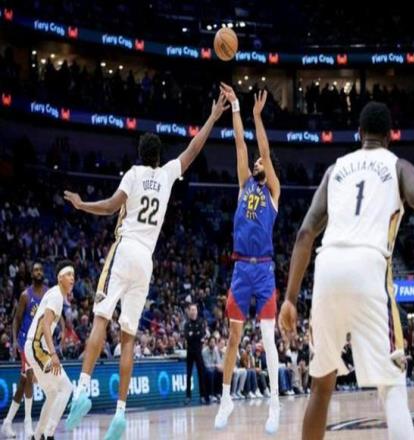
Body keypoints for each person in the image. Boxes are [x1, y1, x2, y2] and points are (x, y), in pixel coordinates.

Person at [278, 101, 414, 440]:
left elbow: (305, 233)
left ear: (359, 134)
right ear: (391, 136)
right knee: (392, 384)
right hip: (369, 265)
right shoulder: (398, 167)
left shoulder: (335, 169)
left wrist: (290, 298)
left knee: (321, 384)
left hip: (327, 265)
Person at [64, 93, 229, 440]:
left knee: (100, 318)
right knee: (128, 337)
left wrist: (81, 204)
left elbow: (111, 206)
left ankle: (81, 391)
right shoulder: (167, 175)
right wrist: (213, 117)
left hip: (125, 249)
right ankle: (120, 414)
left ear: (140, 155)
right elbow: (194, 148)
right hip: (147, 261)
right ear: (159, 156)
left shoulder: (134, 174)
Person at [215, 83, 280, 433]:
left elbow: (263, 150)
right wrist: (238, 107)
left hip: (265, 270)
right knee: (233, 338)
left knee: (268, 338)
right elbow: (240, 143)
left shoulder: (273, 192)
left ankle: (275, 405)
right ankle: (225, 400)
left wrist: (257, 116)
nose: (256, 162)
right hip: (241, 269)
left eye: (260, 162)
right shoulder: (244, 185)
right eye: (255, 162)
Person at [24, 260, 75, 440]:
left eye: (73, 275)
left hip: (34, 347)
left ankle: (38, 435)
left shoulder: (55, 295)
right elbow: (45, 325)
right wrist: (53, 354)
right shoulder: (56, 296)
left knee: (53, 394)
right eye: (68, 275)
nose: (72, 278)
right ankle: (49, 434)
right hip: (37, 347)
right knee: (66, 387)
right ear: (60, 278)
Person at [1, 262, 47, 439]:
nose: (38, 272)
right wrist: (14, 341)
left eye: (40, 270)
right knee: (29, 377)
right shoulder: (25, 296)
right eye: (35, 270)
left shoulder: (48, 294)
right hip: (25, 341)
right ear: (31, 274)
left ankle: (6, 423)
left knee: (22, 383)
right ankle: (28, 425)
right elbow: (16, 319)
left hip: (38, 343)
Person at [184, 303, 208, 404]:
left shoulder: (201, 322)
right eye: (192, 310)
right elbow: (187, 336)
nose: (193, 312)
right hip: (190, 352)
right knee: (188, 374)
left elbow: (202, 334)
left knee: (201, 374)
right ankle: (188, 396)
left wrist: (193, 334)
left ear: (197, 311)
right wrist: (196, 334)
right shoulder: (186, 324)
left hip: (198, 351)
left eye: (195, 310)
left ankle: (203, 396)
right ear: (189, 312)